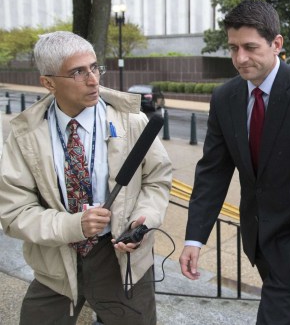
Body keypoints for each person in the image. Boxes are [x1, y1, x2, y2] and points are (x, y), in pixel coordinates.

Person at [179, 0, 290, 324]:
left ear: (277, 43)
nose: (240, 58)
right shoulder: (224, 98)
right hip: (258, 238)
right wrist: (195, 236)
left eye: (250, 47)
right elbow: (213, 172)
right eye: (233, 48)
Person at [0, 31, 172, 325]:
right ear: (48, 82)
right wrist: (73, 225)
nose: (93, 80)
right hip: (55, 260)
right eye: (78, 72)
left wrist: (143, 218)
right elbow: (14, 213)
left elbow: (156, 179)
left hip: (120, 258)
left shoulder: (131, 121)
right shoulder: (24, 135)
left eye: (94, 67)